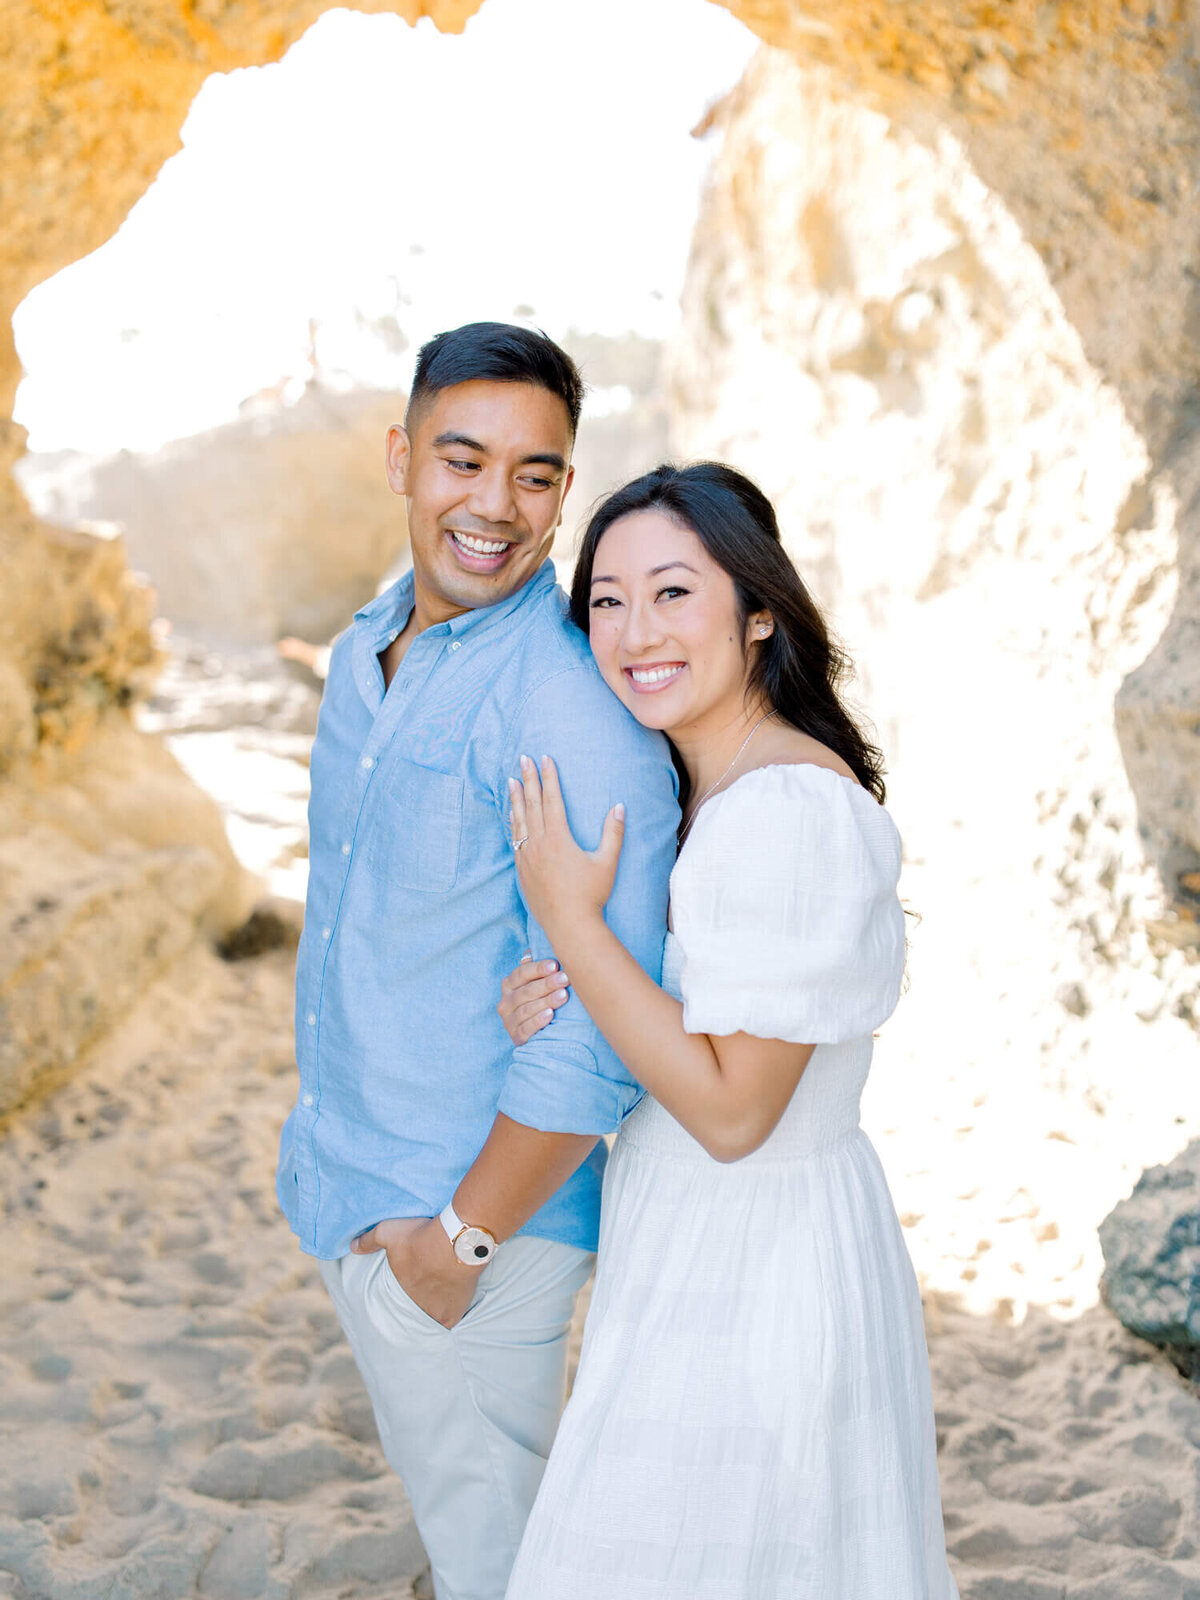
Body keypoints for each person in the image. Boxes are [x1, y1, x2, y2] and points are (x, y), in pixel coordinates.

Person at [498, 463, 960, 1599]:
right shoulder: (700, 792)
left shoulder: (788, 811)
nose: (634, 632)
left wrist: (573, 921)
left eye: (673, 592)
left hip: (760, 1251)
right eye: (606, 600)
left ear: (758, 612)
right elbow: (675, 1026)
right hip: (694, 1233)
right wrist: (552, 993)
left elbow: (734, 1111)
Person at [275, 323, 680, 1600]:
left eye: (535, 474)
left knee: (508, 1571)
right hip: (359, 1188)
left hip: (468, 1231)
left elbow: (602, 1029)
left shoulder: (571, 707)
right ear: (402, 458)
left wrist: (458, 1244)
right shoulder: (368, 645)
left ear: (566, 490)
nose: (496, 506)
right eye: (464, 460)